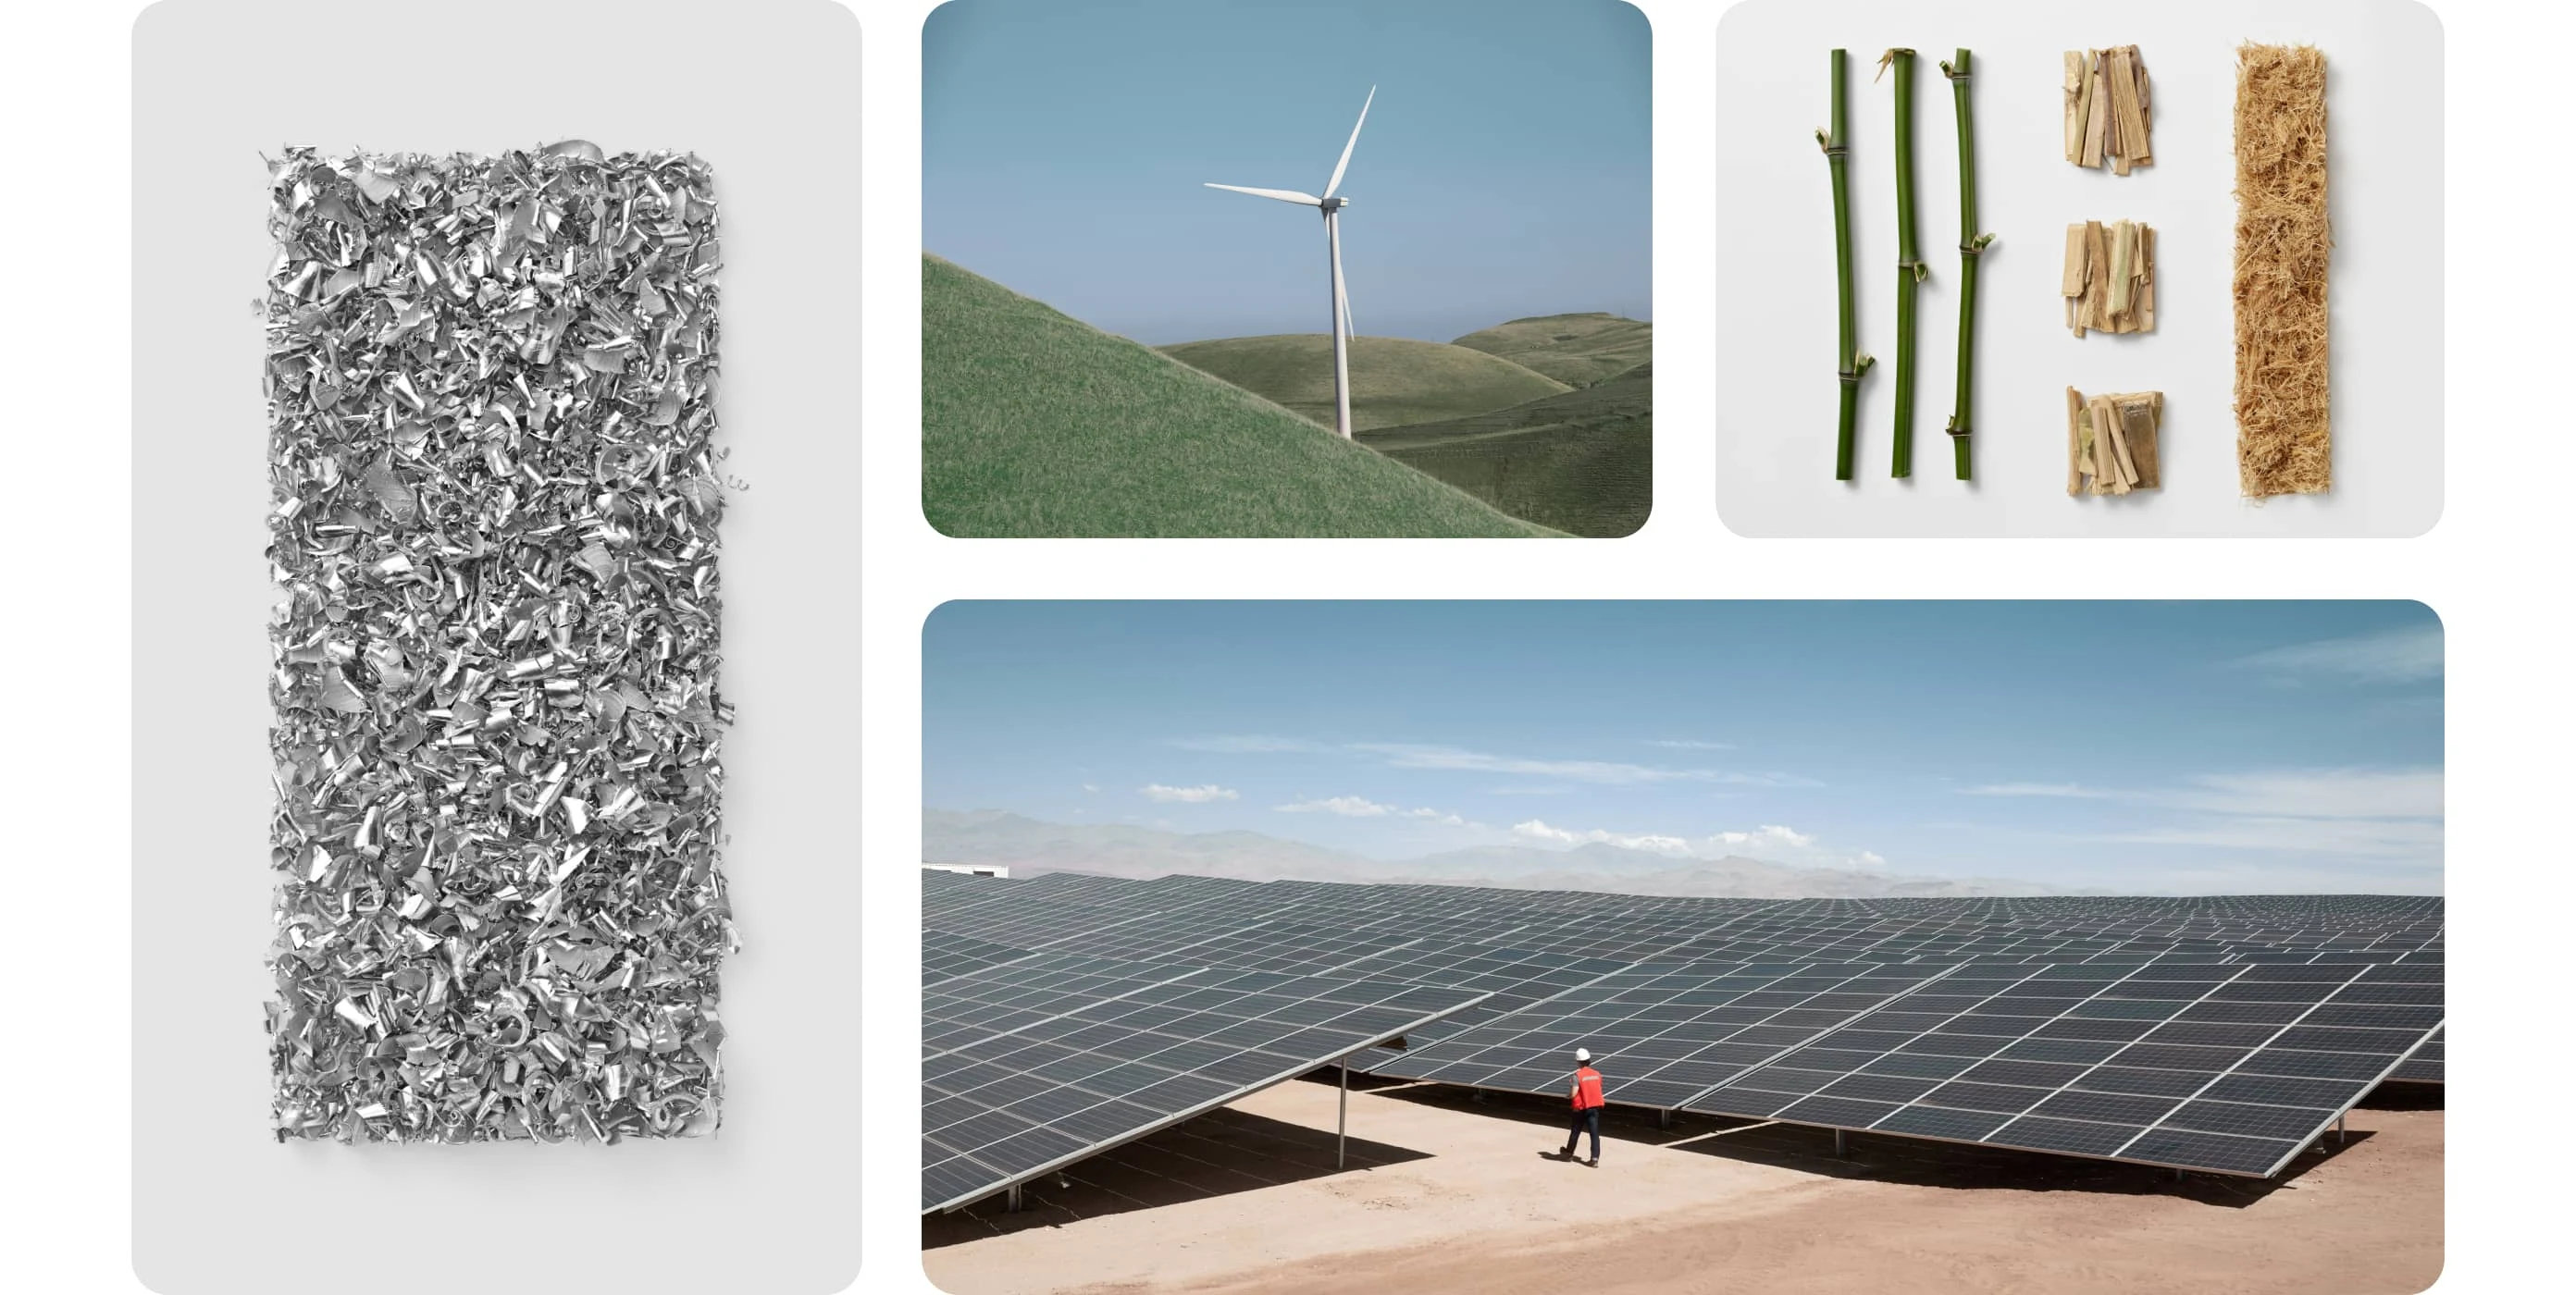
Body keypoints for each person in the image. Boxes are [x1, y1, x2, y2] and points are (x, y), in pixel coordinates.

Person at [1558, 1046, 1606, 1166]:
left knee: (1575, 1131)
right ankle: (1594, 1159)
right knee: (1594, 1133)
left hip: (1580, 1108)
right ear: (1589, 1060)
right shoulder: (1597, 1074)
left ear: (1578, 1061)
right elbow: (1598, 1088)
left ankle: (1569, 1153)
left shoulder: (1577, 1076)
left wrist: (1568, 1096)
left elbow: (1574, 1093)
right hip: (1594, 1107)